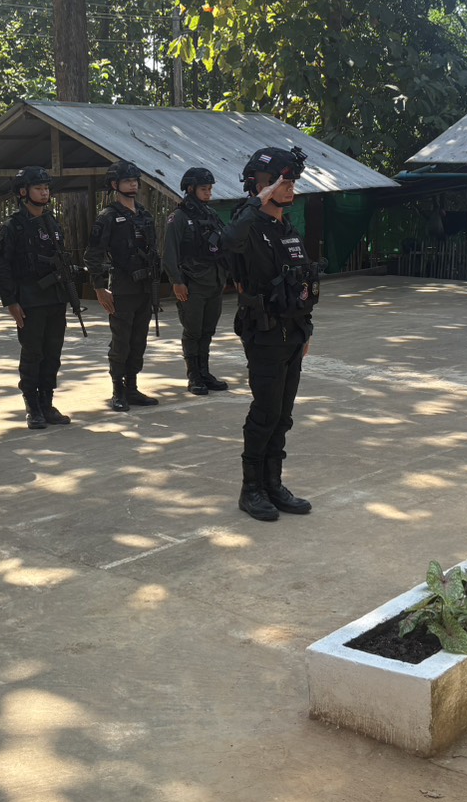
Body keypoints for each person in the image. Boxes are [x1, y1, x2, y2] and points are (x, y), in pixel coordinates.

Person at [222, 146, 318, 522]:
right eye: (281, 181)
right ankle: (251, 490)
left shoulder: (287, 229)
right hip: (263, 334)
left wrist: (306, 329)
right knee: (265, 412)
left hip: (292, 333)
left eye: (292, 181)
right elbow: (227, 243)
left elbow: (301, 282)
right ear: (260, 184)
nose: (290, 187)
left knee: (283, 415)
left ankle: (273, 484)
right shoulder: (246, 227)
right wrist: (257, 200)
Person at [0, 166, 73, 430]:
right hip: (29, 300)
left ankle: (47, 403)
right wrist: (10, 301)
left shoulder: (52, 222)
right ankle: (33, 407)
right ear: (23, 192)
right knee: (32, 354)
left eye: (46, 188)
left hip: (55, 298)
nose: (44, 192)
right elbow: (2, 266)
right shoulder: (13, 226)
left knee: (53, 354)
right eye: (39, 188)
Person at [86, 160, 160, 411]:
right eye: (128, 181)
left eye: (135, 181)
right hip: (122, 287)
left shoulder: (144, 215)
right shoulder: (108, 216)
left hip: (144, 287)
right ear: (114, 184)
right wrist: (99, 288)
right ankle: (118, 390)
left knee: (138, 341)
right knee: (121, 342)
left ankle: (132, 388)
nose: (133, 185)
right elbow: (93, 254)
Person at [161, 167, 231, 395]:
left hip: (214, 281)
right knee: (193, 331)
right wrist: (176, 281)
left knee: (208, 330)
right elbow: (169, 253)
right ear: (191, 189)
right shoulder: (179, 217)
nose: (208, 193)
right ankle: (194, 376)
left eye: (210, 188)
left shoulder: (210, 214)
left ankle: (205, 372)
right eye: (204, 189)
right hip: (192, 285)